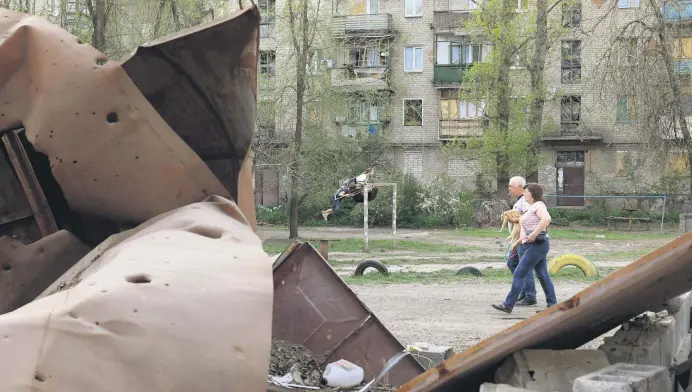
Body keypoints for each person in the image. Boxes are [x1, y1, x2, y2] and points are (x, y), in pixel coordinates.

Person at [492, 183, 557, 314]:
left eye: (526, 191)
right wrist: (517, 243)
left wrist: (534, 234)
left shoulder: (539, 205)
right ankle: (552, 305)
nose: (525, 193)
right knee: (543, 275)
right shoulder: (533, 207)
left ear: (533, 193)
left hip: (537, 245)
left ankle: (508, 304)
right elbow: (525, 229)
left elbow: (547, 219)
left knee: (519, 273)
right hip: (535, 245)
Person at [505, 176, 537, 307]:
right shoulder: (521, 200)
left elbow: (532, 216)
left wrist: (514, 220)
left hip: (525, 238)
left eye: (510, 186)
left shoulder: (526, 200)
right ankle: (525, 292)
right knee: (513, 263)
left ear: (519, 186)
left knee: (523, 266)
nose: (509, 189)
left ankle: (530, 295)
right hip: (519, 239)